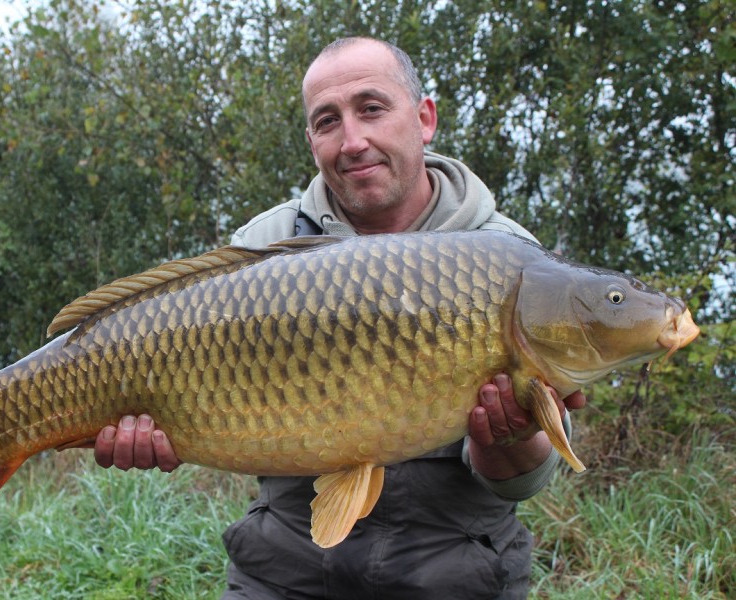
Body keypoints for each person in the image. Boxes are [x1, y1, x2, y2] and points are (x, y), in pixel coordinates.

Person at [93, 37, 586, 599]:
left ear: (424, 119)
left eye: (371, 109)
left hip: (456, 572)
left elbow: (527, 479)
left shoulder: (510, 259)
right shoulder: (262, 246)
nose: (353, 141)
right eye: (328, 121)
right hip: (282, 569)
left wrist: (510, 437)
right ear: (311, 139)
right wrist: (146, 430)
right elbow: (182, 403)